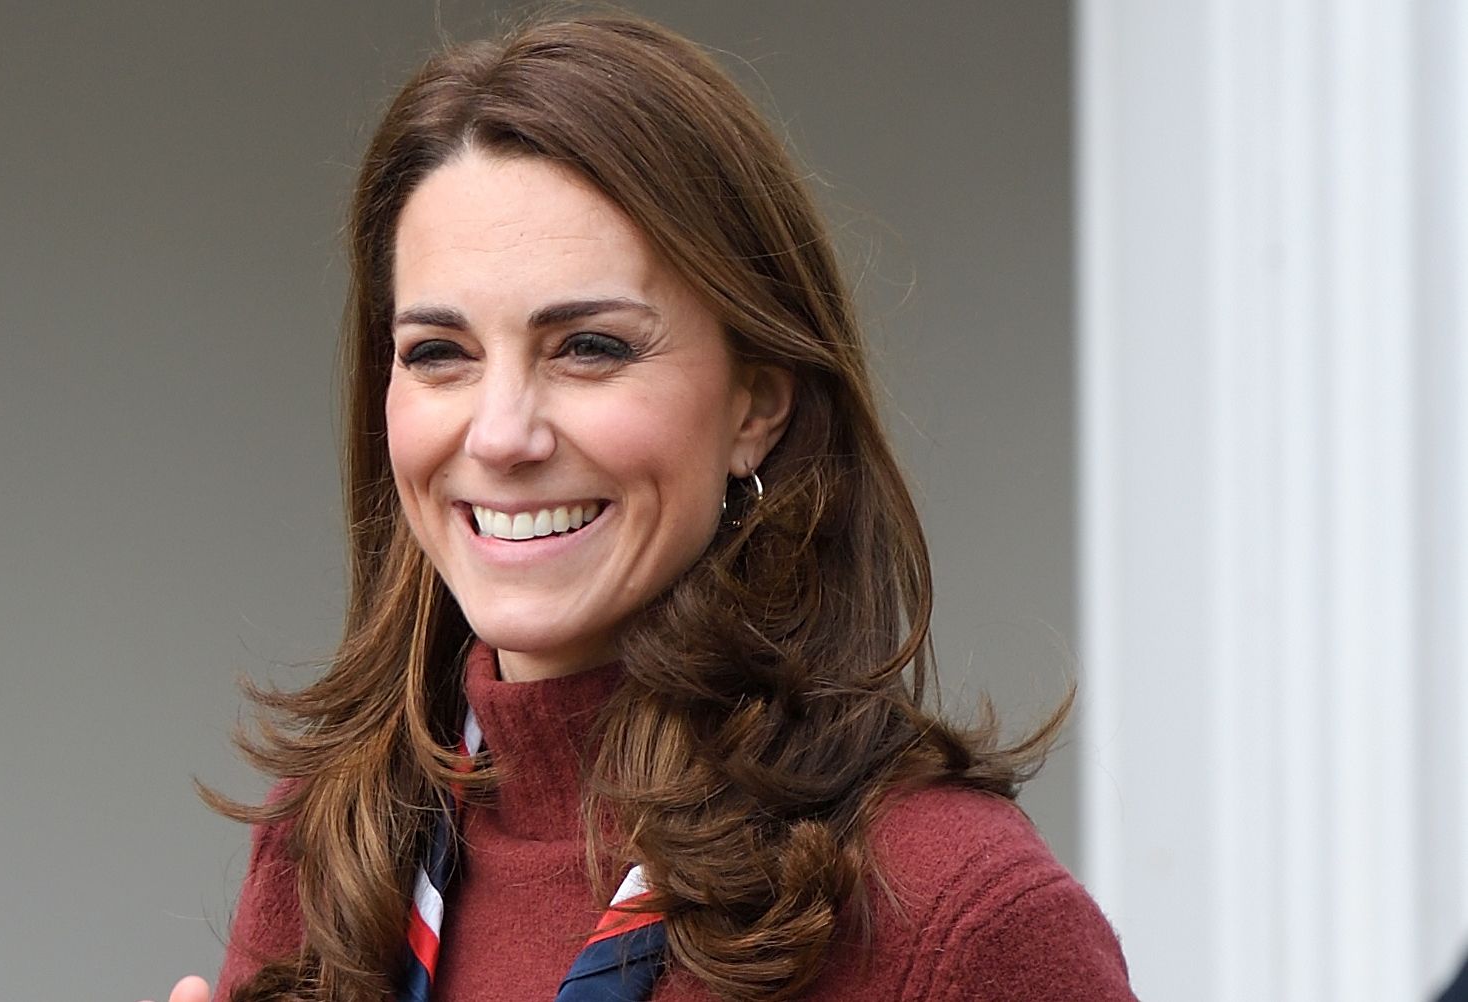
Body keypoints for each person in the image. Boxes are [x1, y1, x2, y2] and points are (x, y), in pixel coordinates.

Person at [143, 11, 1135, 1002]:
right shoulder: (332, 845)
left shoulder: (959, 913)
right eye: (439, 354)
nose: (500, 435)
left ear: (757, 403)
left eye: (589, 347)